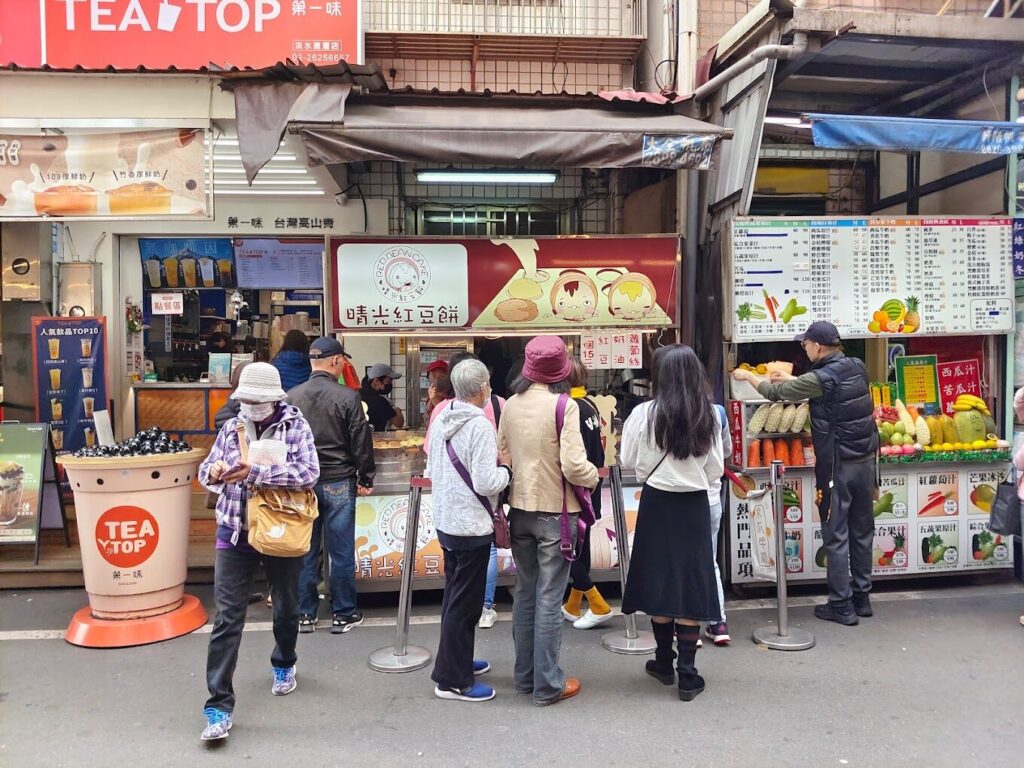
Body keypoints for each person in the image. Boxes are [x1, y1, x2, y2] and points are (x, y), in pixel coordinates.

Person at [197, 363, 320, 742]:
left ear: (273, 400)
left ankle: (284, 661)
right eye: (243, 399)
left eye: (254, 400)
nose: (247, 405)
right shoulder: (231, 427)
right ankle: (218, 705)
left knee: (285, 605)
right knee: (227, 618)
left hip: (281, 529)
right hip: (234, 530)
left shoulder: (295, 426)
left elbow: (309, 473)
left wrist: (256, 473)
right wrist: (215, 471)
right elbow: (204, 472)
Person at [733, 321, 878, 626]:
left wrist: (747, 376)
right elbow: (822, 386)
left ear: (818, 346)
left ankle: (841, 605)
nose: (804, 348)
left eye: (805, 344)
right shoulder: (856, 366)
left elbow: (777, 393)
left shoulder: (822, 377)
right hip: (865, 462)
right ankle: (861, 598)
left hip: (837, 467)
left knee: (836, 535)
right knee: (862, 531)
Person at [498, 336, 599, 707]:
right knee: (549, 597)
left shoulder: (510, 406)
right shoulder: (564, 406)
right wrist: (592, 476)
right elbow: (574, 465)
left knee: (525, 594)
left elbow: (503, 455)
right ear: (560, 371)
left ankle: (524, 679)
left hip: (520, 511)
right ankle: (547, 685)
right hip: (556, 513)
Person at [620, 344, 724, 702]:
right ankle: (689, 676)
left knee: (661, 582)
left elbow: (627, 458)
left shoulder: (643, 414)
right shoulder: (708, 414)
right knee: (690, 586)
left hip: (657, 504)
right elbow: (716, 470)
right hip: (693, 506)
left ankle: (663, 662)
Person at [427, 359, 513, 702]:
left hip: (447, 520)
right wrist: (507, 471)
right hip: (471, 525)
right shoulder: (479, 425)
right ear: (482, 388)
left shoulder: (442, 418)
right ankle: (453, 680)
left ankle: (456, 661)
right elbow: (485, 480)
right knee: (466, 605)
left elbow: (433, 467)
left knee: (454, 598)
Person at [287, 337, 375, 634]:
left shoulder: (291, 397)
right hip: (338, 480)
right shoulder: (347, 397)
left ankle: (305, 614)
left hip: (302, 484)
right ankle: (344, 613)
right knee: (340, 552)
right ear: (335, 361)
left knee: (305, 550)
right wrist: (366, 477)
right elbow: (360, 441)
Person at [560, 359, 613, 630]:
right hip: (590, 486)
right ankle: (572, 605)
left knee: (566, 550)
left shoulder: (570, 408)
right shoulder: (589, 405)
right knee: (582, 547)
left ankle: (598, 604)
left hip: (575, 488)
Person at [706, 402, 731, 646]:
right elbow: (725, 451)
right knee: (709, 560)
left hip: (676, 497)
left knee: (679, 562)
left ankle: (682, 623)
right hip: (711, 497)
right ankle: (718, 622)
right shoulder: (718, 412)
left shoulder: (658, 410)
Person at [361, 363, 405, 431]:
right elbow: (399, 423)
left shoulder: (357, 394)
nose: (390, 385)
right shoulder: (379, 401)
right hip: (374, 439)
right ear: (376, 381)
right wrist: (397, 410)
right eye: (387, 382)